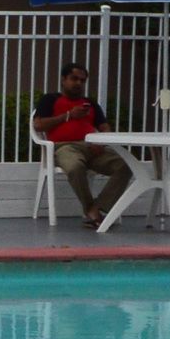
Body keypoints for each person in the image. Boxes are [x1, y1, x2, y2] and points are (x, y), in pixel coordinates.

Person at [33, 61, 134, 223]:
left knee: (126, 166)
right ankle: (90, 209)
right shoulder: (50, 99)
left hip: (91, 147)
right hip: (64, 147)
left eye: (82, 80)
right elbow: (38, 125)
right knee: (74, 167)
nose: (78, 83)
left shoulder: (90, 103)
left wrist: (100, 141)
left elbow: (105, 127)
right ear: (63, 80)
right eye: (74, 79)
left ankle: (98, 207)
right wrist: (68, 116)